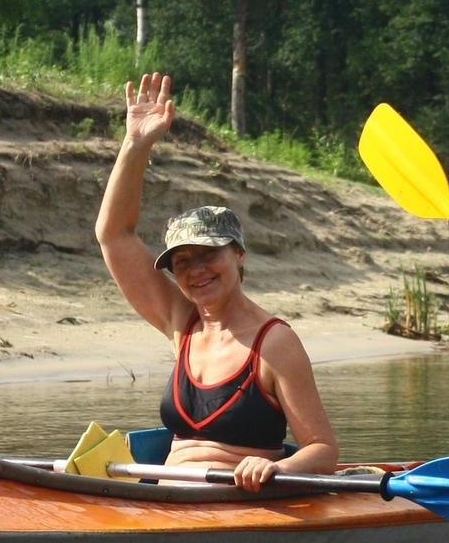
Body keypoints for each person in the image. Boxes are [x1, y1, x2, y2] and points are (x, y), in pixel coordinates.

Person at [93, 73, 337, 490]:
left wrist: (275, 469)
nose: (196, 269)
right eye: (182, 261)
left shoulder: (275, 343)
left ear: (238, 254)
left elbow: (323, 450)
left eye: (209, 254)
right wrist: (136, 144)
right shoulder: (180, 322)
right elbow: (113, 235)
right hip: (168, 503)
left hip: (236, 505)